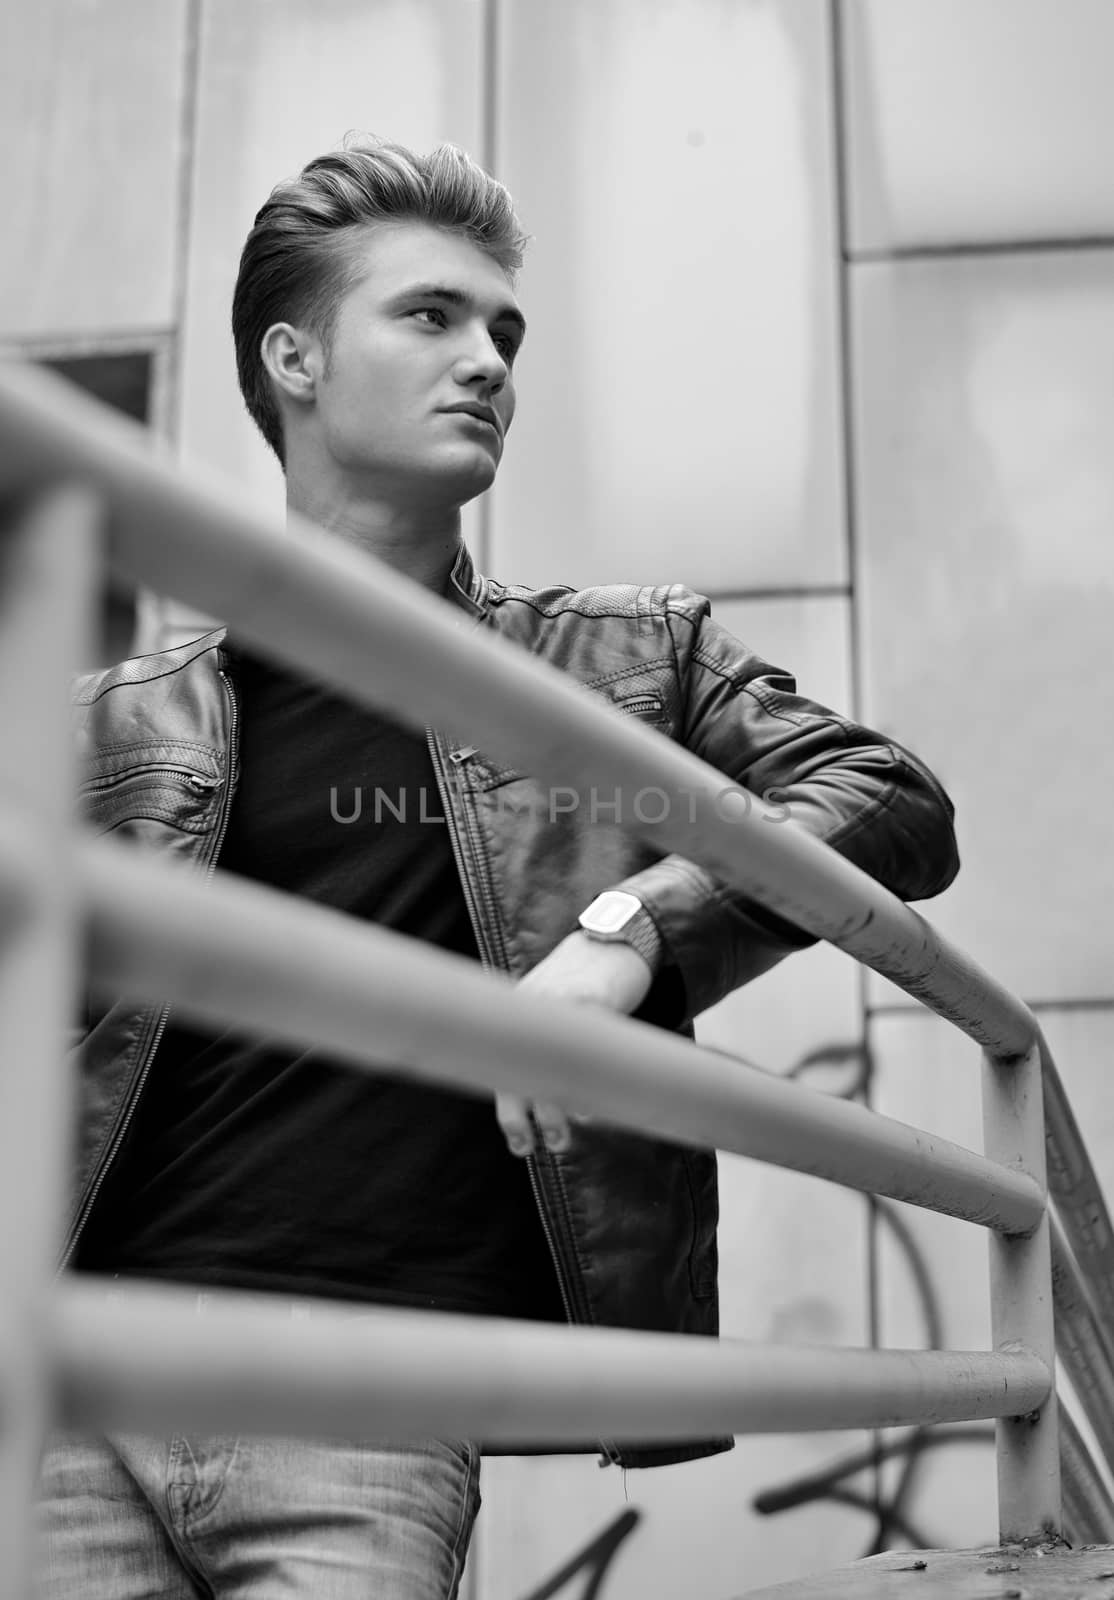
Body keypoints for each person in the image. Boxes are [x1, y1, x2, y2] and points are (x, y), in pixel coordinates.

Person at [38, 136, 960, 1598]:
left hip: (368, 1408)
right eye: (431, 316)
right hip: (74, 1397)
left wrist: (636, 925)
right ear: (292, 357)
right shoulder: (113, 721)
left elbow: (889, 800)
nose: (488, 363)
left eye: (504, 331)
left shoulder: (620, 658)